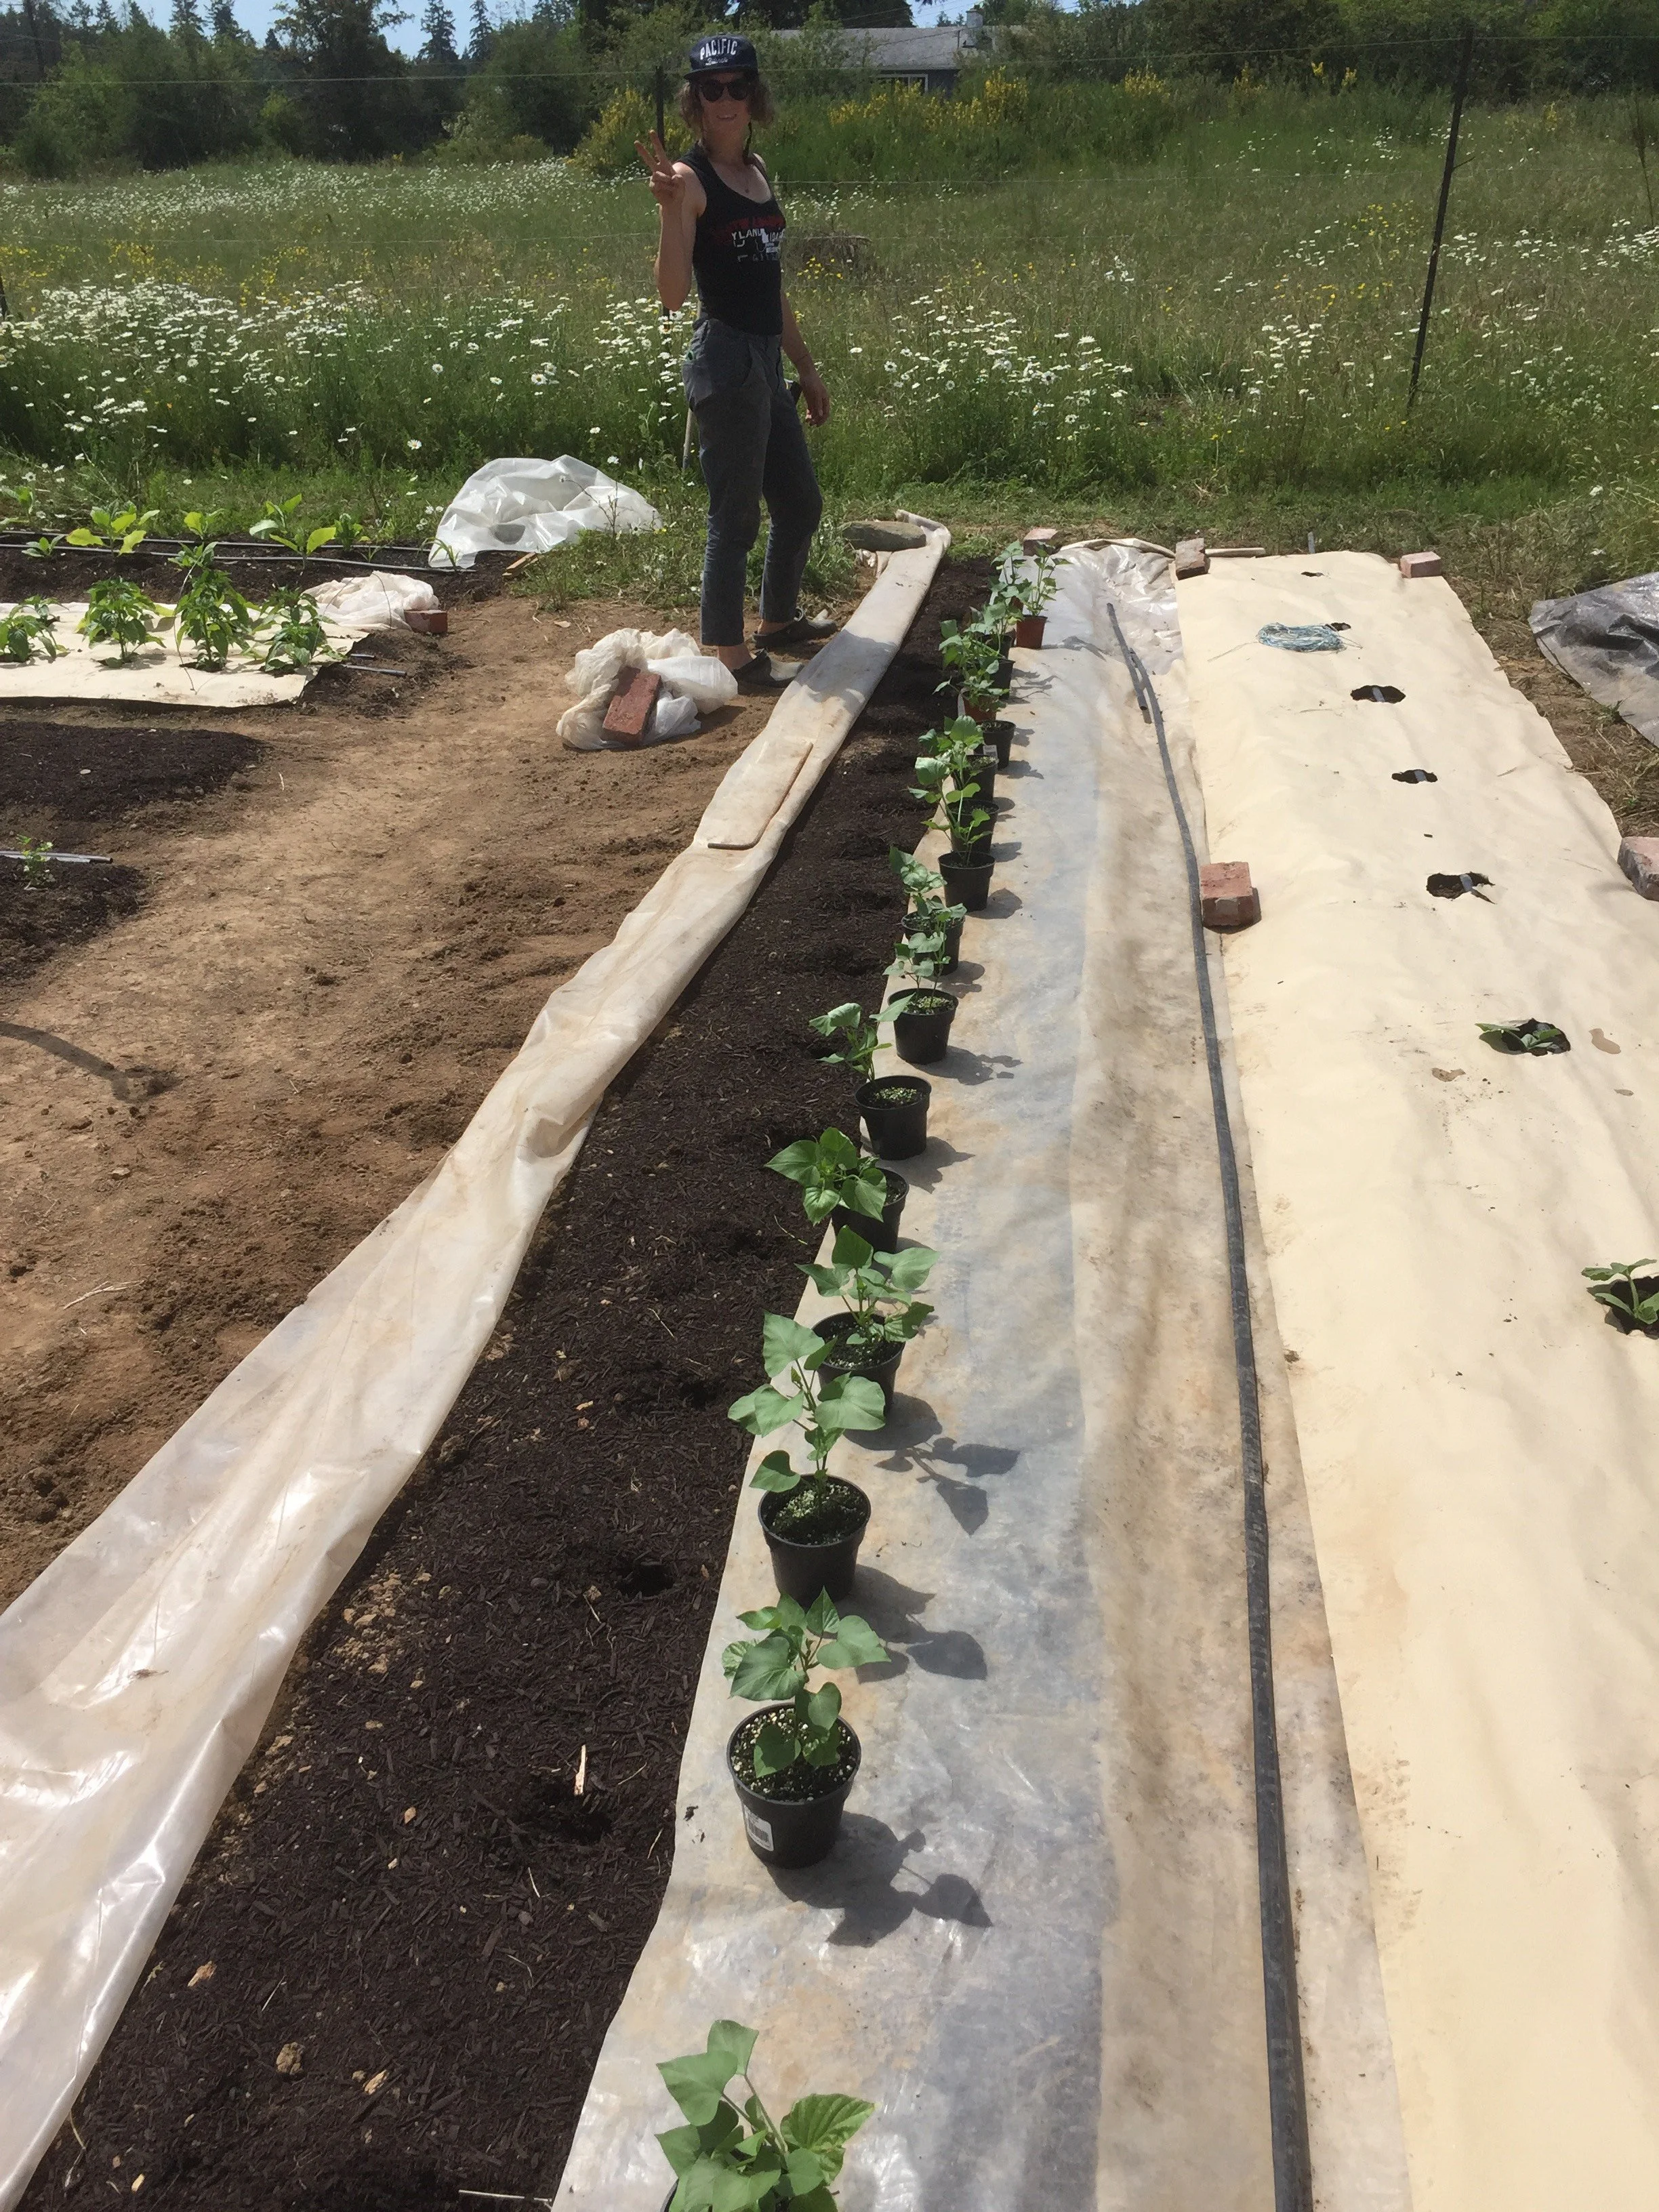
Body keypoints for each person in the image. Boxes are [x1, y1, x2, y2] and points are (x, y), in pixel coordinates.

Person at [636, 35, 835, 694]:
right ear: (695, 102)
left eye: (737, 86)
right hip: (723, 359)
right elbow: (671, 295)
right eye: (711, 88)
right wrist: (669, 213)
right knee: (735, 519)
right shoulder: (689, 182)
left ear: (755, 95)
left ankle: (777, 622)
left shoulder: (758, 171)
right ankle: (728, 652)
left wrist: (803, 365)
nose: (726, 99)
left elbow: (770, 285)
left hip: (765, 359)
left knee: (801, 503)